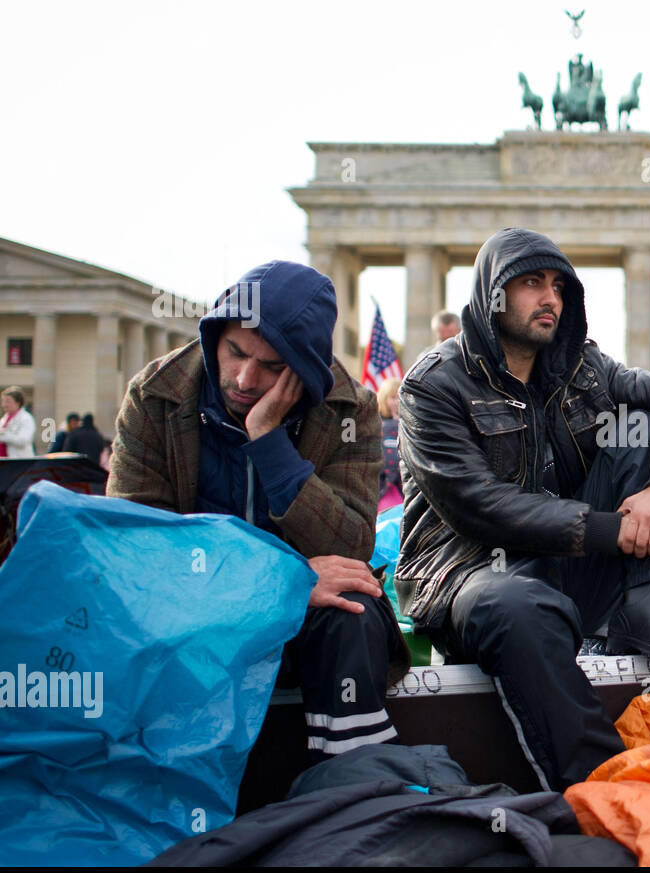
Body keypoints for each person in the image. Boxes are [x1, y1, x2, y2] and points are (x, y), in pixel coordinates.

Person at [396, 227, 650, 792]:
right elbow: (480, 508)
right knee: (518, 603)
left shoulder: (586, 369)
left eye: (558, 286)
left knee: (642, 428)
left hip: (565, 565)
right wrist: (615, 530)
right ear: (492, 293)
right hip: (470, 577)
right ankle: (603, 788)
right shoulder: (434, 384)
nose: (550, 298)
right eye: (530, 284)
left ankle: (647, 605)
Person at [108, 260, 408, 761]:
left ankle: (353, 789)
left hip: (305, 626)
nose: (246, 379)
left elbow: (350, 545)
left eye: (272, 366)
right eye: (235, 352)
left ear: (307, 366)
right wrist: (280, 584)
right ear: (215, 336)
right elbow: (137, 554)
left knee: (354, 608)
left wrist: (270, 445)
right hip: (197, 612)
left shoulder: (348, 407)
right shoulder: (154, 395)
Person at [376, 377, 403, 510]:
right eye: (393, 398)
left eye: (399, 397)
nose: (396, 402)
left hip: (404, 486)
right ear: (384, 399)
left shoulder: (410, 423)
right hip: (385, 488)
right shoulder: (377, 424)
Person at [0, 387, 36, 458]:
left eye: (7, 401)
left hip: (18, 461)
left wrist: (3, 437)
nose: (4, 404)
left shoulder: (26, 418)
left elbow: (23, 440)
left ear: (18, 403)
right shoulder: (4, 419)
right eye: (3, 401)